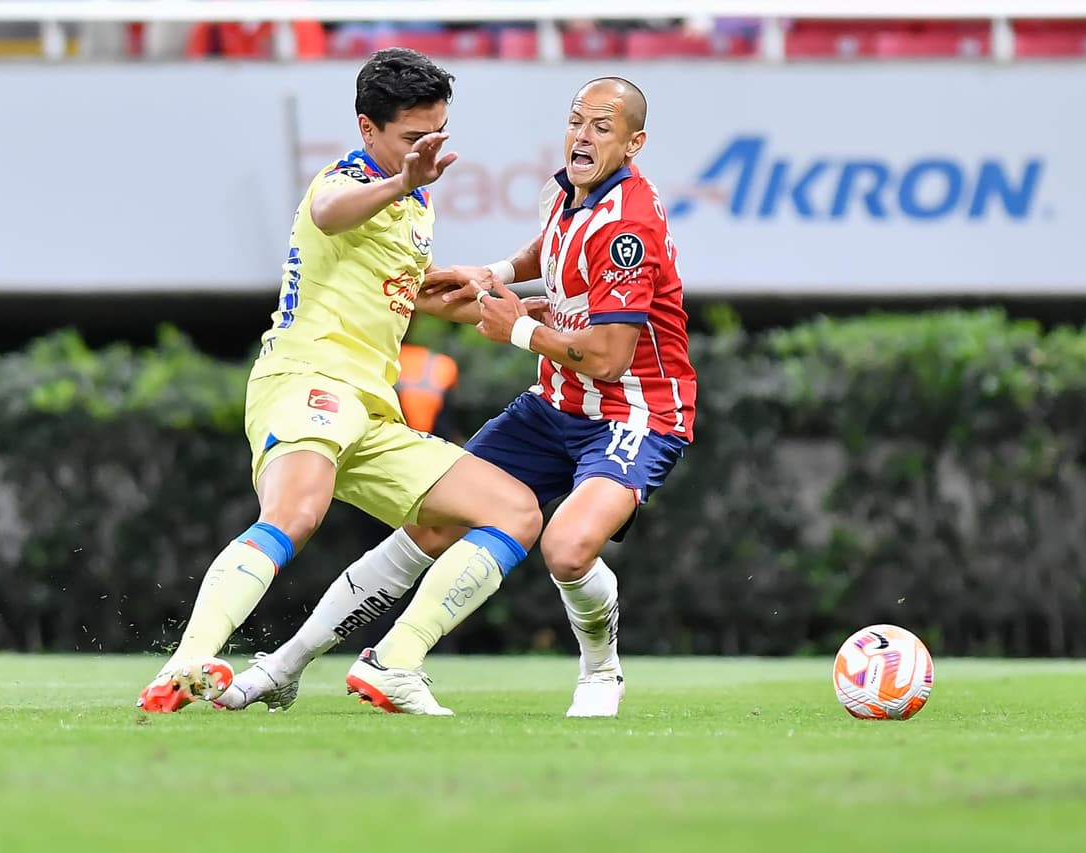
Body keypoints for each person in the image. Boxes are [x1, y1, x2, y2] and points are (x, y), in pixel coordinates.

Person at [218, 76, 696, 718]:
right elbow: (550, 253)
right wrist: (491, 277)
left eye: (601, 127)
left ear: (634, 142)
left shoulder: (629, 224)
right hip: (553, 405)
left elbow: (610, 358)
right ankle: (285, 665)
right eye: (576, 120)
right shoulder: (570, 191)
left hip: (635, 413)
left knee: (567, 546)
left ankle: (600, 671)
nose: (582, 136)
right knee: (433, 522)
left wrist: (517, 327)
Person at [137, 47, 542, 715]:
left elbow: (419, 294)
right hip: (307, 381)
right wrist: (401, 180)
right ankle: (186, 661)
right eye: (414, 139)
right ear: (367, 129)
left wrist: (518, 310)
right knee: (295, 513)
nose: (427, 151)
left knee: (515, 509)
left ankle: (396, 661)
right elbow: (330, 213)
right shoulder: (346, 177)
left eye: (437, 135)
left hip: (374, 412)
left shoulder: (414, 208)